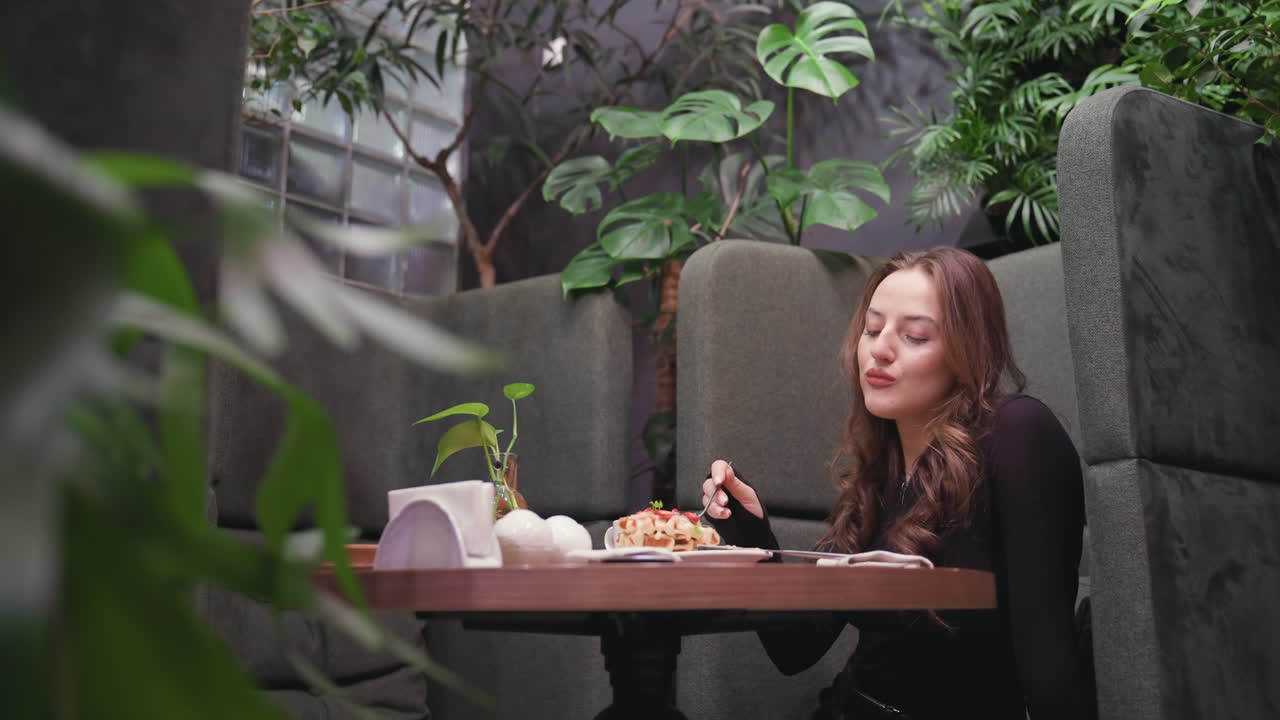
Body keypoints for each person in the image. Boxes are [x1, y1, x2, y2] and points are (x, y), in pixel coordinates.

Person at [701, 247, 1093, 720]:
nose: (880, 348)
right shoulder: (881, 475)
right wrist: (751, 533)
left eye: (914, 335)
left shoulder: (1018, 433)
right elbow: (796, 649)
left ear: (968, 351)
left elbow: (1049, 664)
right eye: (872, 329)